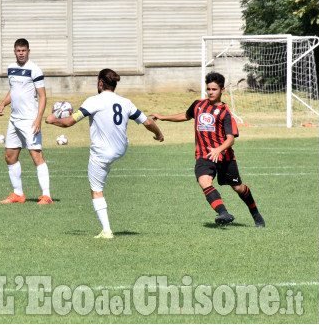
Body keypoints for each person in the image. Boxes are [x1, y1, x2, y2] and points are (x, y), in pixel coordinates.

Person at [46, 69, 164, 238]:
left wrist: (53, 121)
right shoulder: (125, 102)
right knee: (106, 164)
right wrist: (159, 134)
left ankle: (106, 230)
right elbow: (148, 121)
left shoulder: (93, 101)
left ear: (100, 83)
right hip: (121, 149)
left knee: (96, 189)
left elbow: (69, 122)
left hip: (101, 154)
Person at [149, 72, 265, 227]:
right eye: (208, 89)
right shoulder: (198, 104)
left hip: (225, 156)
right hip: (204, 155)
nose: (210, 92)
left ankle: (255, 213)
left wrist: (219, 149)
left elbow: (231, 139)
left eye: (214, 89)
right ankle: (223, 213)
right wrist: (163, 117)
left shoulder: (225, 113)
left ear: (222, 90)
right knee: (204, 181)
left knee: (238, 188)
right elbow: (185, 115)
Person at [0, 38, 52, 204]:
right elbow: (14, 91)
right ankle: (18, 194)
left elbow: (42, 96)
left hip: (29, 120)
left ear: (28, 51)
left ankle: (47, 195)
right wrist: (3, 104)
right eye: (18, 50)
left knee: (36, 156)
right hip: (14, 119)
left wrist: (38, 119)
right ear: (14, 51)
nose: (21, 53)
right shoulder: (11, 68)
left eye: (24, 50)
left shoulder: (34, 69)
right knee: (10, 156)